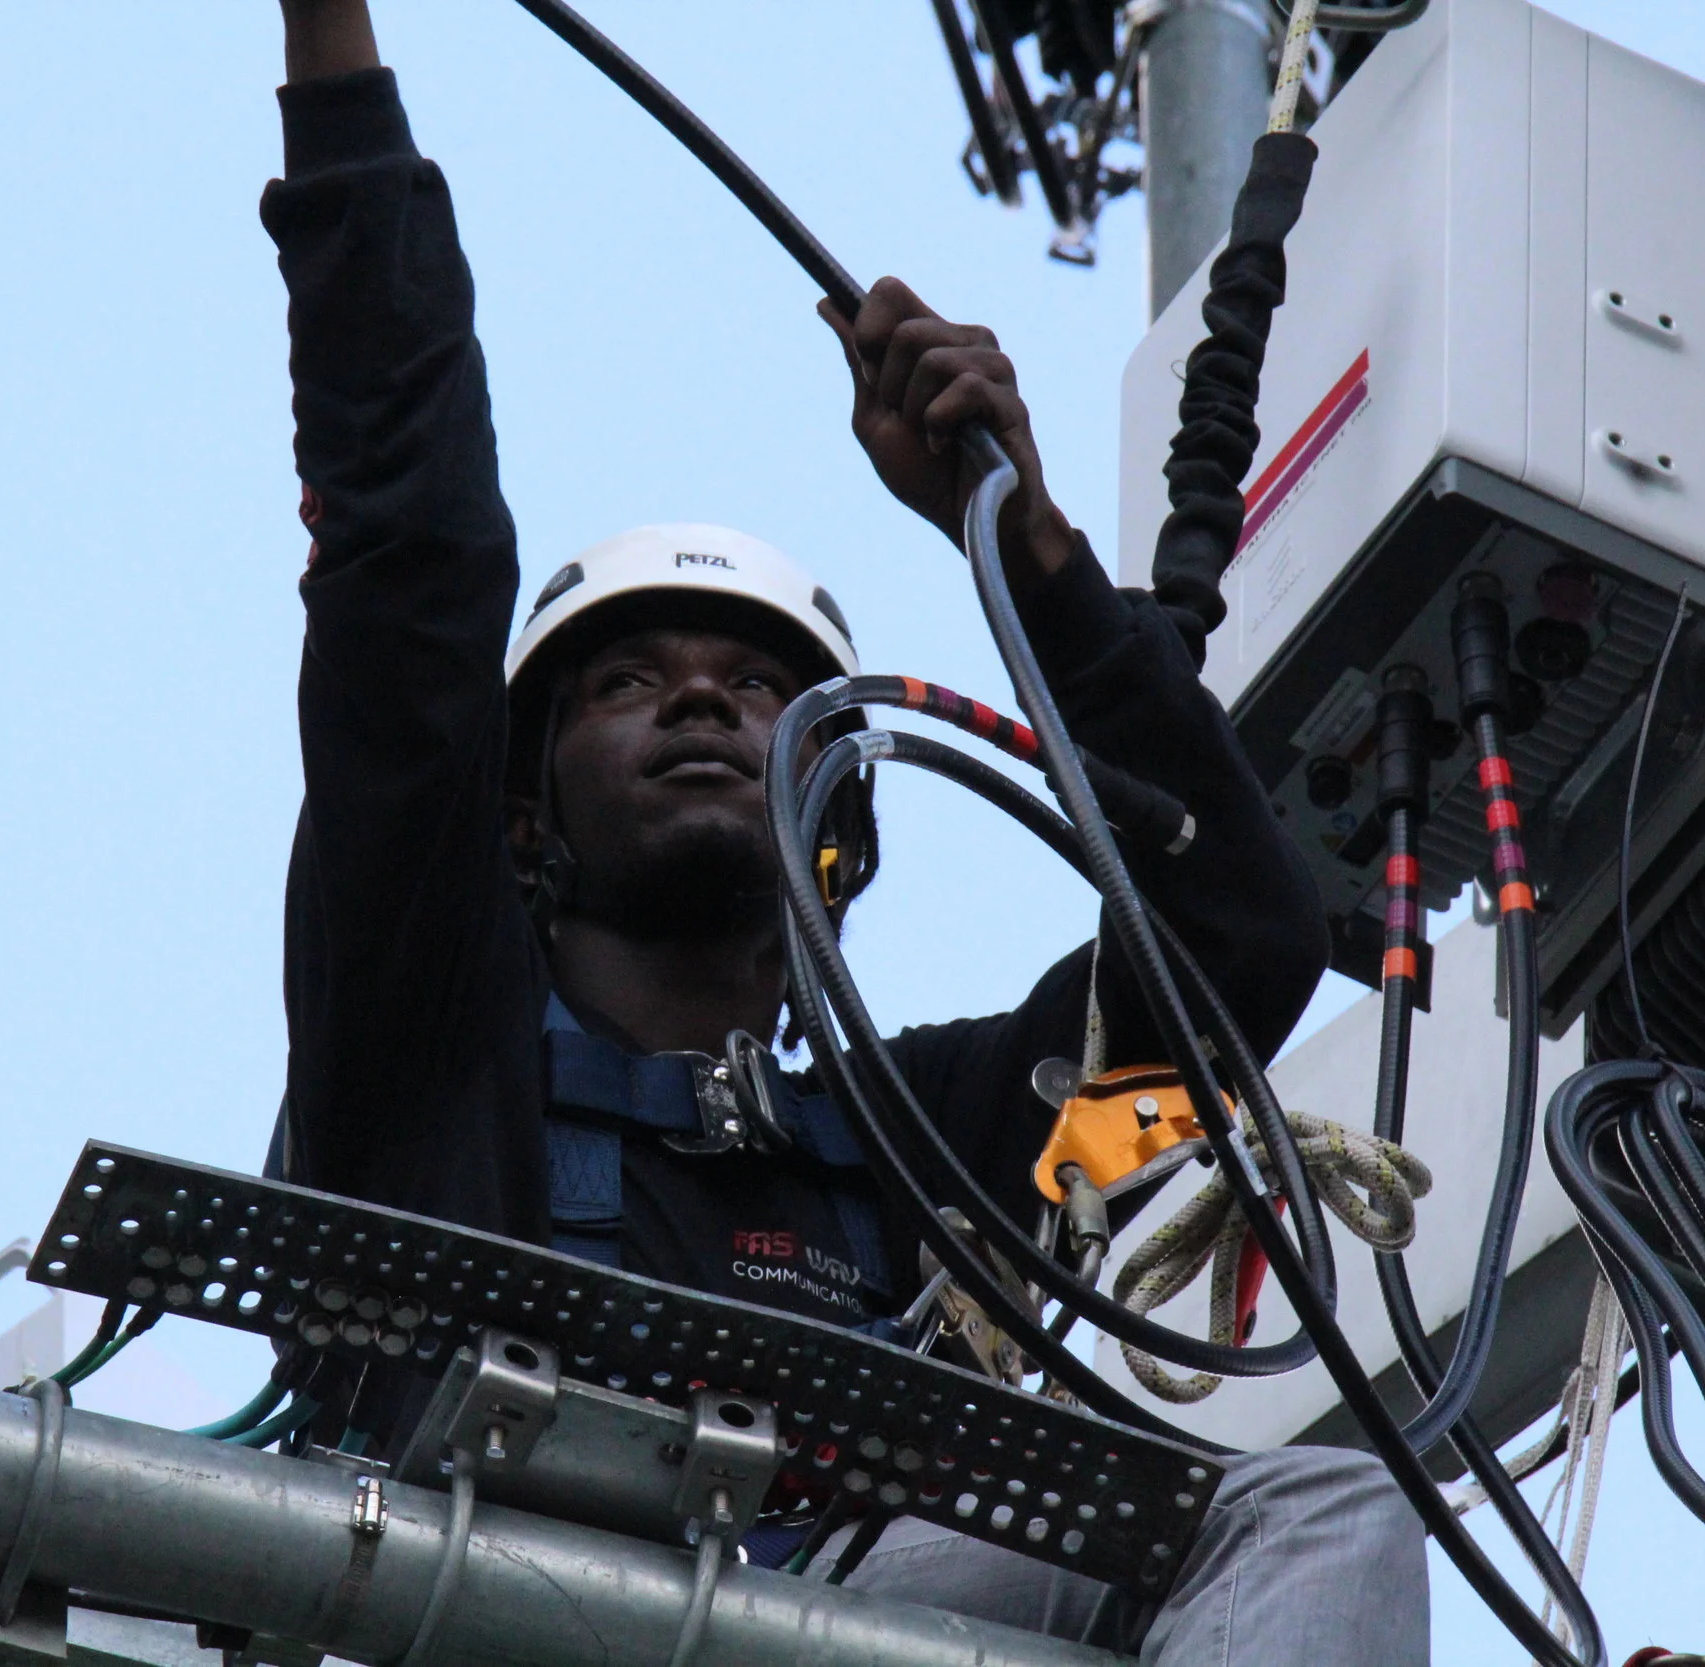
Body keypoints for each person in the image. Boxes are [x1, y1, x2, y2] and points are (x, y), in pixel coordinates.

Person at [261, 2, 1427, 1660]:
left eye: (755, 686)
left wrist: (1023, 550)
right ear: (519, 810)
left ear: (839, 827)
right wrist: (334, 47)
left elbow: (1240, 933)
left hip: (838, 1621)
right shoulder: (432, 1062)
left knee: (1319, 1508)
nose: (699, 705)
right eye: (627, 683)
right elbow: (409, 555)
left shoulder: (929, 1142)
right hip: (500, 1602)